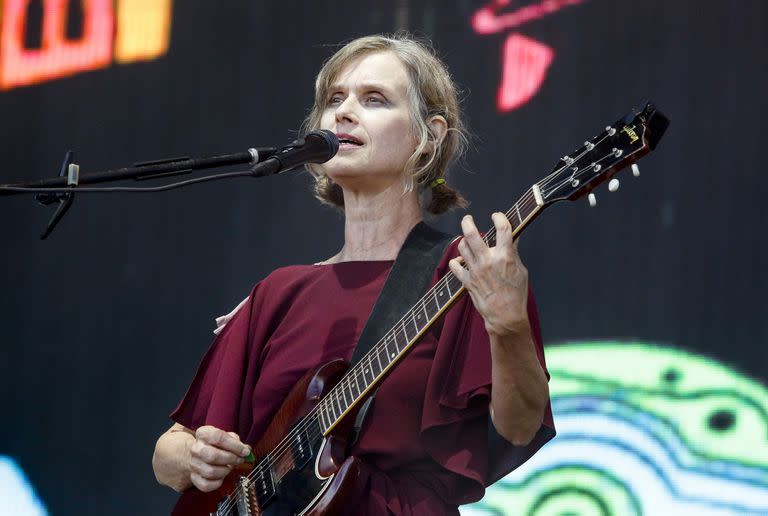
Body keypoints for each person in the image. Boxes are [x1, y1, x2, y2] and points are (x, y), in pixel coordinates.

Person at [152, 34, 555, 515]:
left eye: (374, 99)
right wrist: (195, 459)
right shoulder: (280, 292)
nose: (342, 113)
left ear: (429, 136)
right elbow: (168, 451)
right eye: (334, 99)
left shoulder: (470, 270)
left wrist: (508, 324)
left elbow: (520, 426)